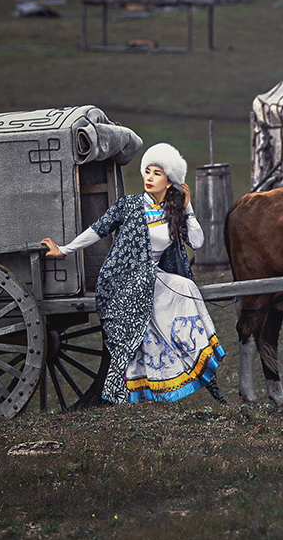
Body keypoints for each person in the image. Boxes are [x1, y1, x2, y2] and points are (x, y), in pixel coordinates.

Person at [41, 142, 226, 405]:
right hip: (124, 278)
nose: (149, 178)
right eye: (147, 171)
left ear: (170, 181)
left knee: (185, 287)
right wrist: (65, 249)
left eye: (157, 173)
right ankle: (136, 382)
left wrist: (188, 208)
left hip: (153, 277)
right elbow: (98, 229)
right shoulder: (129, 205)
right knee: (155, 294)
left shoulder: (172, 213)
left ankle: (187, 358)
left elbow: (196, 242)